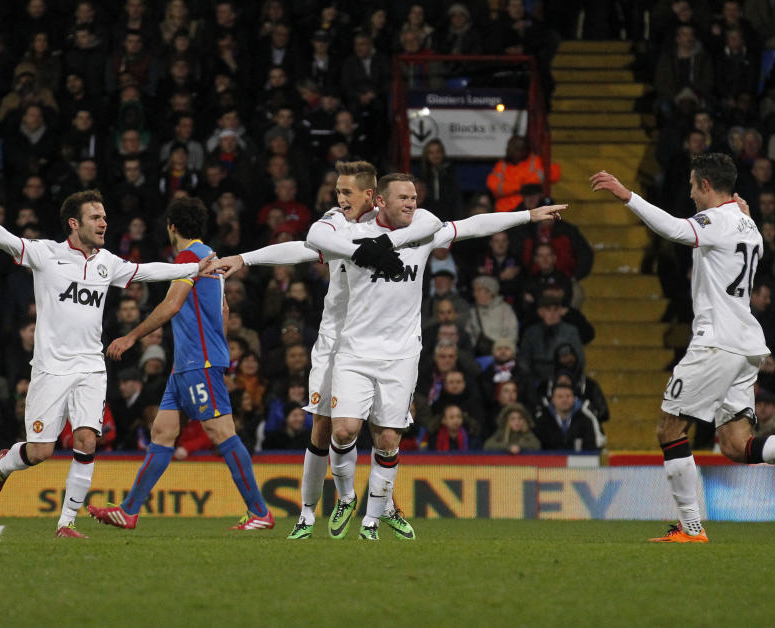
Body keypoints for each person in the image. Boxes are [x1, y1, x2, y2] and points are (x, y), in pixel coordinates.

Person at [208, 174, 564, 540]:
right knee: (338, 429)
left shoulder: (425, 230)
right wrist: (244, 258)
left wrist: (527, 215)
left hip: (402, 354)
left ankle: (374, 520)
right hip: (353, 347)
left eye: (414, 197)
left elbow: (473, 226)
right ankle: (336, 502)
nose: (412, 203)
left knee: (388, 439)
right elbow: (301, 246)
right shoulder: (345, 234)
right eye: (404, 197)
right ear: (380, 200)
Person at [590, 154, 775, 543]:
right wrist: (744, 213)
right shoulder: (748, 224)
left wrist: (627, 196)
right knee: (737, 445)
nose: (689, 193)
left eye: (692, 185)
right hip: (745, 346)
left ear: (706, 185)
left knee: (669, 427)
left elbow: (675, 229)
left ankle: (691, 528)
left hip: (716, 342)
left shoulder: (718, 220)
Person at [0, 190, 213, 538]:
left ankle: (66, 523)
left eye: (104, 216)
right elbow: (8, 241)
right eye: (95, 217)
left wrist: (195, 268)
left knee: (87, 440)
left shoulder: (107, 262)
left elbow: (146, 271)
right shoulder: (47, 254)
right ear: (74, 223)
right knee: (41, 451)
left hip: (91, 366)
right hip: (50, 369)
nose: (103, 222)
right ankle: (4, 464)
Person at [209, 161, 441, 540]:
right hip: (337, 341)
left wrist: (386, 244)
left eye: (346, 192)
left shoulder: (403, 223)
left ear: (371, 195)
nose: (338, 199)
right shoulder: (336, 224)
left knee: (383, 430)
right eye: (337, 192)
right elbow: (304, 245)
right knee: (325, 427)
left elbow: (439, 225)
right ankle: (309, 512)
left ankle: (382, 509)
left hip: (383, 343)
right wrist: (246, 258)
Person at [87, 198, 273, 532]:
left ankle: (260, 510)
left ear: (172, 227)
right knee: (163, 431)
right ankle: (129, 510)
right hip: (189, 361)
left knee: (221, 432)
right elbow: (225, 310)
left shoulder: (189, 259)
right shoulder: (210, 256)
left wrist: (131, 337)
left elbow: (172, 305)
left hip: (197, 361)